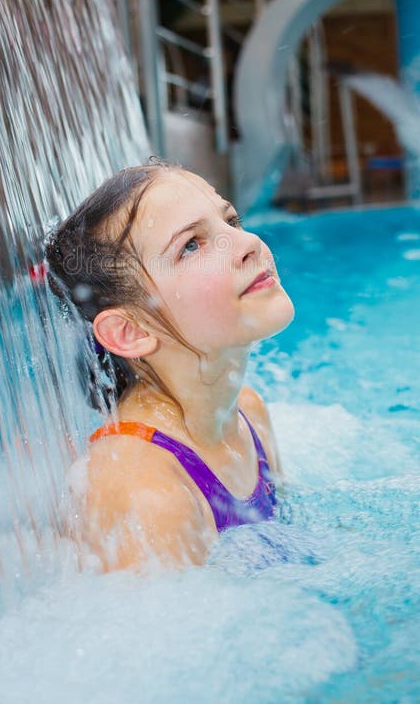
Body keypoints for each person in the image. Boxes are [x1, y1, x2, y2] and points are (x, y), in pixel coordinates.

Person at [45, 159, 294, 572]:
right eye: (191, 245)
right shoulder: (143, 488)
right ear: (128, 331)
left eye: (230, 220)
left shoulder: (248, 412)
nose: (247, 241)